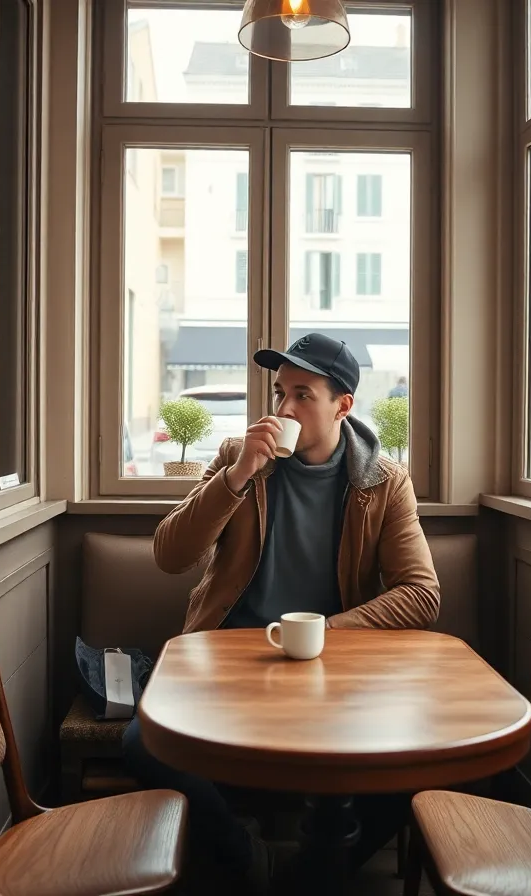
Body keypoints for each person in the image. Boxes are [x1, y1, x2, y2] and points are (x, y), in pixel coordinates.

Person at [122, 332, 440, 893]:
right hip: (229, 660)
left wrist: (323, 632)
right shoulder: (237, 458)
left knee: (424, 765)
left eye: (302, 395)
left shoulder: (384, 482)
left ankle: (300, 877)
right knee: (142, 742)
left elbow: (422, 592)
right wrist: (237, 476)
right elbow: (170, 557)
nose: (283, 410)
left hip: (334, 675)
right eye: (279, 394)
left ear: (343, 405)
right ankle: (247, 857)